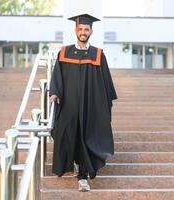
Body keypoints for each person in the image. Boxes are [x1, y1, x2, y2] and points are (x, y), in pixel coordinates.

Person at [49, 13, 117, 192]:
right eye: (80, 29)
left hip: (90, 106)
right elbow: (57, 76)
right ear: (75, 30)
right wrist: (54, 93)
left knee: (87, 137)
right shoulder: (64, 53)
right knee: (66, 133)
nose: (83, 32)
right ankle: (70, 166)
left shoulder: (98, 55)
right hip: (69, 106)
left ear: (91, 31)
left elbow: (106, 83)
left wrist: (104, 105)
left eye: (86, 29)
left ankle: (83, 176)